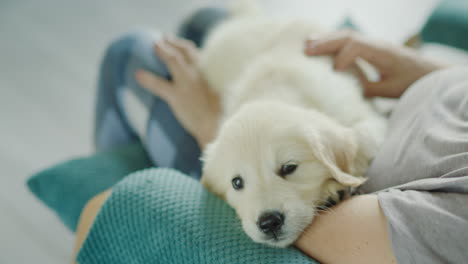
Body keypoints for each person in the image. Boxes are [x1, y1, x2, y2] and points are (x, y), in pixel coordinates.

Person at [74, 8, 468, 264]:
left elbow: (346, 237)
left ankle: (114, 173)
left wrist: (217, 129)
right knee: (205, 23)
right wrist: (426, 71)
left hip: (305, 134)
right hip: (383, 97)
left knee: (132, 52)